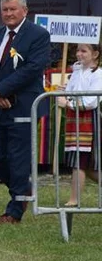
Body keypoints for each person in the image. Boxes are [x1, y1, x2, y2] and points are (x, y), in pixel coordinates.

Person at [0, 0, 51, 224]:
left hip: (22, 106)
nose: (8, 14)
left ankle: (14, 210)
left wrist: (2, 90)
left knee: (19, 158)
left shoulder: (38, 35)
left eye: (13, 9)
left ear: (24, 11)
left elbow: (32, 69)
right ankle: (23, 190)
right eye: (5, 10)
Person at [57, 43, 101, 207]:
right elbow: (73, 90)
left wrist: (68, 103)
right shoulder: (76, 72)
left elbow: (91, 101)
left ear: (95, 54)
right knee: (87, 167)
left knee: (80, 161)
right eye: (78, 50)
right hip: (74, 120)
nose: (79, 54)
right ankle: (74, 198)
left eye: (84, 51)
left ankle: (74, 199)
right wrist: (65, 90)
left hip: (88, 121)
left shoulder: (98, 74)